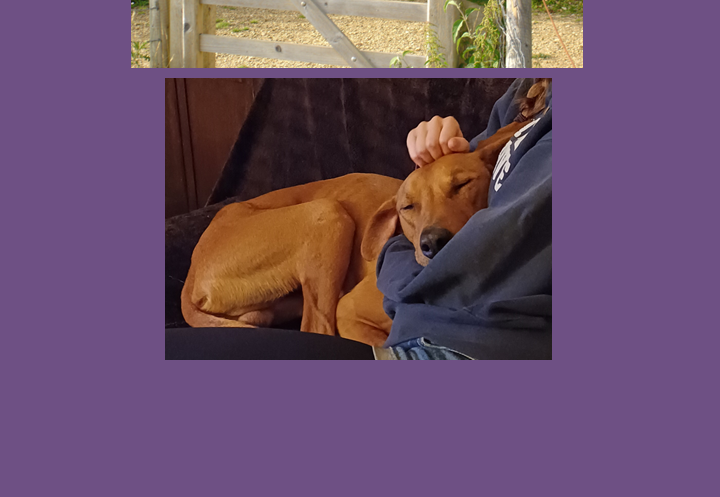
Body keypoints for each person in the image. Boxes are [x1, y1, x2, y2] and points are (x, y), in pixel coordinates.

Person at [165, 79, 550, 360]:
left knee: (327, 219)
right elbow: (470, 157)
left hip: (446, 337)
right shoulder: (522, 99)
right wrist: (446, 143)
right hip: (230, 259)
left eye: (462, 186)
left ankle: (315, 331)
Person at [374, 78, 552, 359]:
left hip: (472, 346)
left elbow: (469, 274)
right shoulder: (523, 93)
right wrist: (442, 147)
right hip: (418, 334)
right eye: (409, 209)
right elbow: (464, 163)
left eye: (460, 187)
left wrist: (395, 262)